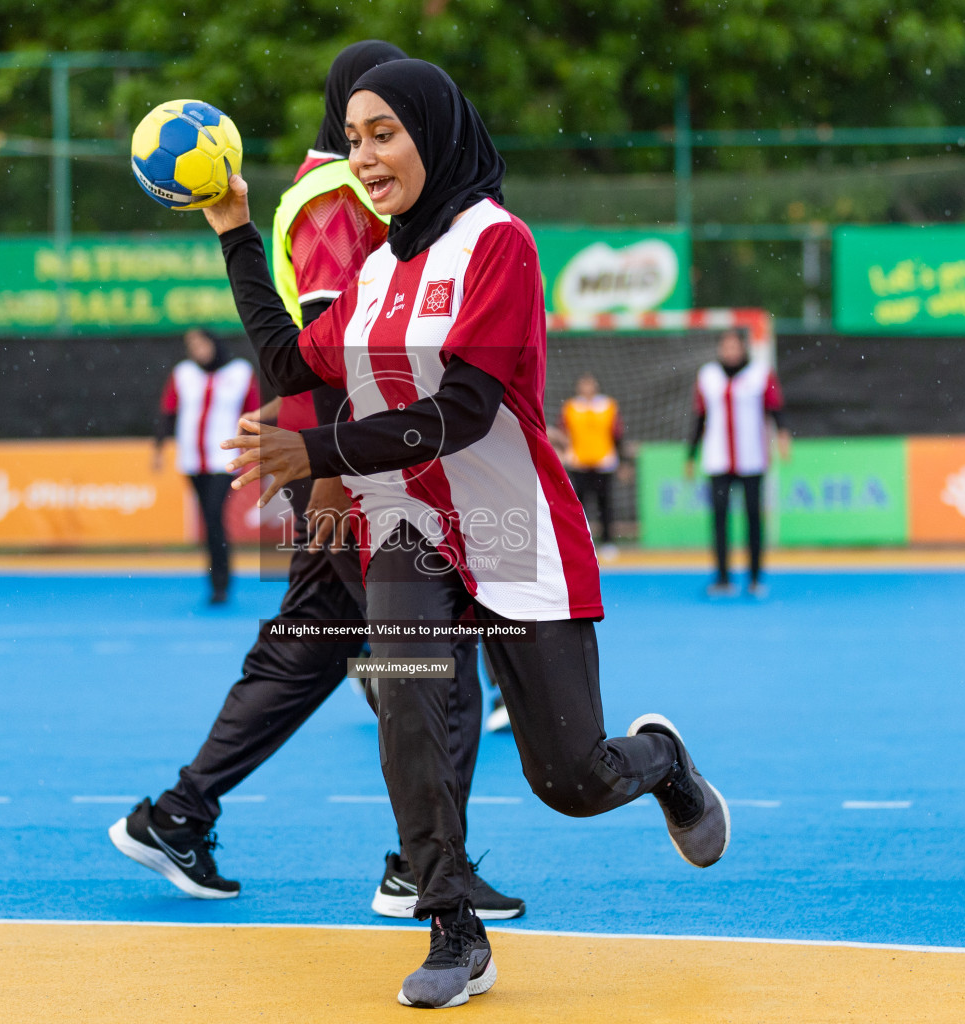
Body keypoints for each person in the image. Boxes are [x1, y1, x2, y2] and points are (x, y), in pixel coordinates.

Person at [205, 59, 730, 1010]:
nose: (364, 157)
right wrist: (236, 228)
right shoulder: (375, 271)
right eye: (353, 137)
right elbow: (289, 355)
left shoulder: (500, 246)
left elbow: (463, 413)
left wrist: (313, 447)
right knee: (409, 713)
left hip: (513, 526)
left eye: (385, 135)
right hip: (407, 528)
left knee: (570, 779)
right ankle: (453, 929)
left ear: (436, 134)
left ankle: (661, 763)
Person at [109, 41, 523, 924]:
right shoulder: (339, 199)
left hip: (349, 458)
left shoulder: (353, 193)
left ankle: (178, 814)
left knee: (314, 642)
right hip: (352, 466)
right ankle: (422, 868)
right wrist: (335, 468)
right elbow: (333, 349)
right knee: (432, 652)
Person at [684, 330, 790, 598]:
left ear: (743, 348)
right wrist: (690, 454)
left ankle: (754, 578)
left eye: (735, 346)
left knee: (753, 517)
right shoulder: (707, 376)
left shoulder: (760, 374)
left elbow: (776, 409)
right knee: (719, 518)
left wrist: (784, 435)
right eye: (726, 346)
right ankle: (722, 577)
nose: (730, 351)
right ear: (720, 349)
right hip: (717, 458)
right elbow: (699, 417)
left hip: (752, 458)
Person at [157, 327, 257, 604]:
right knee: (208, 518)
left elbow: (254, 413)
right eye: (192, 345)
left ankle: (221, 582)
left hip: (224, 459)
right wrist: (158, 447)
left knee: (214, 515)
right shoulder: (183, 374)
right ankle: (216, 579)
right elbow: (168, 410)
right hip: (191, 459)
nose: (198, 350)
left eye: (201, 344)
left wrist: (255, 447)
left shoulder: (239, 372)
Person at [556, 372, 632, 549]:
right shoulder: (570, 408)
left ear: (596, 386)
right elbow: (562, 434)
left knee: (605, 504)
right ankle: (579, 541)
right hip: (578, 463)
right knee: (578, 506)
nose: (587, 388)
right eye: (584, 384)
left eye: (590, 384)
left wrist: (623, 462)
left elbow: (617, 434)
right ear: (578, 387)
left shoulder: (608, 406)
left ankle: (607, 542)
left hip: (603, 462)